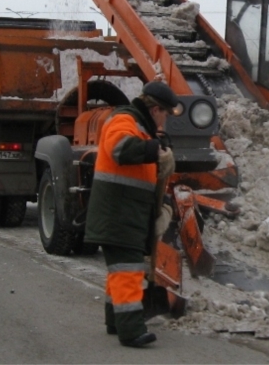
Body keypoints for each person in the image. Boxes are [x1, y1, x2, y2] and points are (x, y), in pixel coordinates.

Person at [84, 80, 178, 348]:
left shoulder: (144, 130)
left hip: (124, 216)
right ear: (156, 109)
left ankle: (116, 321)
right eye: (166, 114)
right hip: (117, 216)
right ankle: (132, 330)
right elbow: (119, 149)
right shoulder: (125, 119)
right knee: (129, 271)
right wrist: (154, 152)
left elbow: (143, 181)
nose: (166, 121)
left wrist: (163, 207)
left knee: (121, 271)